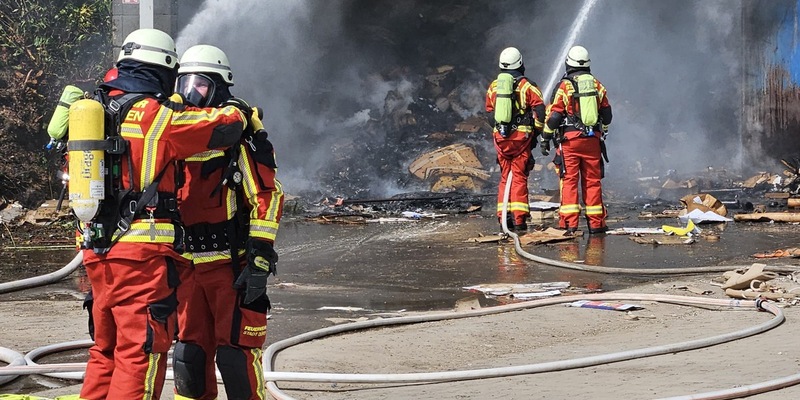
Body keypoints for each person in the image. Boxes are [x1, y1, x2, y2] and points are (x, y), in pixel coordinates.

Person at [75, 28, 254, 400]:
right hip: (140, 255)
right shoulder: (152, 115)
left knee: (104, 350)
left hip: (96, 251)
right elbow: (214, 130)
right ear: (165, 68)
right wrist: (236, 112)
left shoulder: (92, 108)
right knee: (139, 350)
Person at [171, 44, 284, 400]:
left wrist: (260, 256)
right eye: (184, 84)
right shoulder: (172, 135)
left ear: (219, 88)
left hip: (228, 264)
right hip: (185, 263)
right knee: (188, 353)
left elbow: (267, 196)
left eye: (200, 85)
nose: (191, 94)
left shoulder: (239, 137)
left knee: (235, 354)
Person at [540, 45, 612, 234]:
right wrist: (603, 130)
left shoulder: (565, 86)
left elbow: (555, 116)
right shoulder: (597, 84)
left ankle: (569, 224)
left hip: (570, 142)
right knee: (592, 180)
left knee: (569, 180)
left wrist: (545, 137)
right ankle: (596, 224)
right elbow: (607, 113)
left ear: (568, 64)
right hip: (592, 141)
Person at [485, 47, 545, 232]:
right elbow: (541, 110)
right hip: (521, 139)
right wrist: (537, 131)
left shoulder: (494, 86)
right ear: (520, 63)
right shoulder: (527, 86)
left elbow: (489, 113)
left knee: (505, 177)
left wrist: (500, 130)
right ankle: (519, 221)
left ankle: (504, 217)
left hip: (501, 140)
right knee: (518, 177)